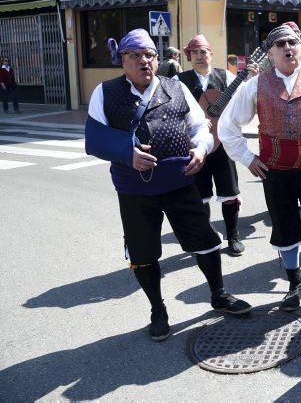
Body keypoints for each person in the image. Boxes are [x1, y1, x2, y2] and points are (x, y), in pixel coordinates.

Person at [84, 29, 251, 342]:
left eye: (149, 55)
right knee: (143, 251)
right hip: (134, 190)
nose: (144, 61)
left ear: (157, 59)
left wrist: (202, 148)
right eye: (135, 55)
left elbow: (200, 126)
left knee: (205, 240)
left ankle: (218, 294)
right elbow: (94, 138)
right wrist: (126, 153)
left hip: (179, 183)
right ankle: (157, 309)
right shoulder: (105, 92)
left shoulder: (175, 87)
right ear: (122, 60)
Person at [218, 24, 301, 311]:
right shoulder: (255, 84)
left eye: (292, 43)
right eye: (280, 45)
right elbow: (227, 125)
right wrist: (248, 158)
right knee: (284, 227)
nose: (288, 48)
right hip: (275, 172)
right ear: (270, 53)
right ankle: (294, 283)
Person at [176, 35, 246, 256]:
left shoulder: (225, 76)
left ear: (211, 54)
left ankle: (233, 236)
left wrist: (224, 120)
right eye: (195, 52)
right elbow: (175, 110)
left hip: (223, 142)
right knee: (200, 193)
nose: (199, 56)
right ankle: (205, 235)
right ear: (189, 56)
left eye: (203, 51)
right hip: (195, 144)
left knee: (230, 191)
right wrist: (194, 121)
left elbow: (241, 104)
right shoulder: (180, 80)